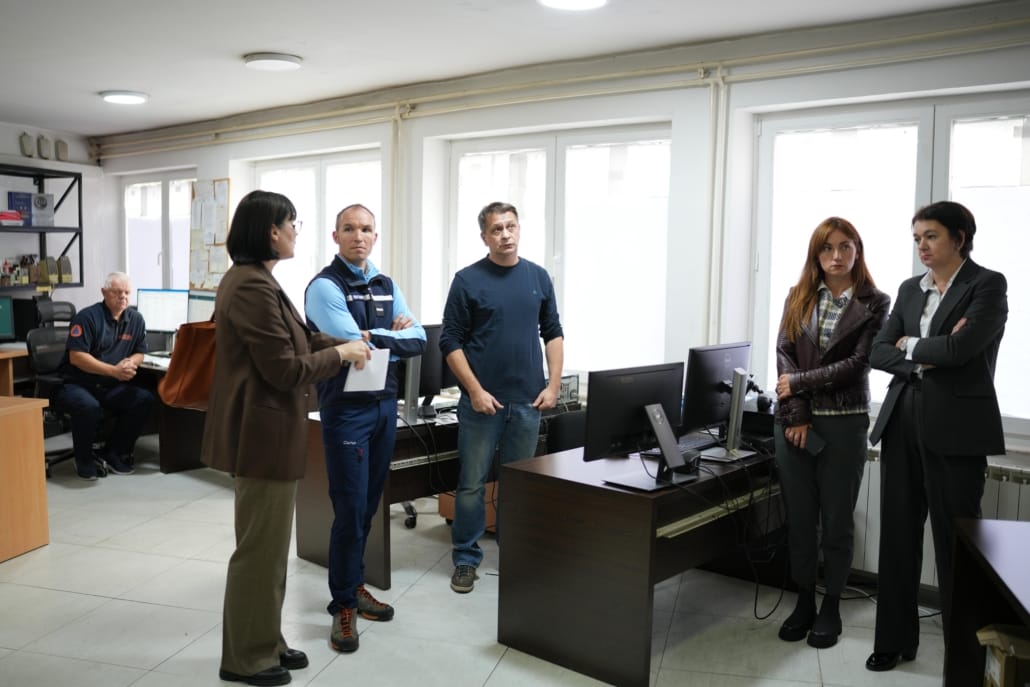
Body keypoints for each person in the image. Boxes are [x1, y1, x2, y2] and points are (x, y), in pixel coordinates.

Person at [200, 190, 370, 687]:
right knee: (259, 555)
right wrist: (340, 357)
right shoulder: (251, 285)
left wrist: (343, 343)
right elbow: (283, 369)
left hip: (269, 434)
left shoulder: (258, 279)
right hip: (262, 437)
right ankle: (245, 659)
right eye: (292, 222)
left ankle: (266, 641)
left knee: (270, 553)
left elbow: (295, 340)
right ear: (271, 230)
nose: (297, 231)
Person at [865, 200, 1007, 672]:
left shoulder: (987, 285)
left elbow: (963, 348)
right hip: (903, 416)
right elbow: (878, 352)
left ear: (959, 238)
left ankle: (963, 663)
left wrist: (909, 344)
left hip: (958, 427)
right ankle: (893, 641)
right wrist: (924, 355)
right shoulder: (910, 289)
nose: (921, 246)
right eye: (917, 238)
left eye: (931, 236)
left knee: (957, 545)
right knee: (898, 535)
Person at [304, 204, 426, 653]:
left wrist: (374, 336)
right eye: (350, 228)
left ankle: (354, 586)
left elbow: (419, 340)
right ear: (335, 236)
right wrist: (381, 335)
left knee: (369, 506)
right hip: (347, 410)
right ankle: (342, 605)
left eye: (367, 229)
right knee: (350, 508)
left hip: (384, 407)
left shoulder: (386, 284)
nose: (359, 236)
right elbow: (354, 346)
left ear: (376, 236)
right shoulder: (324, 286)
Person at [773, 217, 890, 649]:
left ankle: (832, 606)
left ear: (858, 251)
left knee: (837, 520)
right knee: (801, 520)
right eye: (827, 248)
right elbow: (784, 352)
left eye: (845, 247)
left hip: (845, 421)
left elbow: (858, 365)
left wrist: (798, 384)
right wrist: (797, 414)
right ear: (816, 254)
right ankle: (804, 600)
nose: (836, 256)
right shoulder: (798, 295)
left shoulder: (875, 302)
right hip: (795, 423)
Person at [441, 201, 564, 594]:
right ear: (485, 237)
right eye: (497, 229)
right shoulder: (467, 280)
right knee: (472, 484)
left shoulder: (538, 277)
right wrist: (474, 390)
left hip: (528, 402)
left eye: (511, 226)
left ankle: (516, 554)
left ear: (519, 229)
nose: (505, 235)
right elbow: (449, 341)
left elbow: (553, 332)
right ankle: (465, 558)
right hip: (482, 404)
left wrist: (553, 385)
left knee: (518, 484)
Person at [56, 271, 155, 480]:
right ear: (104, 292)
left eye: (127, 292)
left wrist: (131, 362)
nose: (123, 297)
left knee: (143, 399)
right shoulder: (87, 317)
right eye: (117, 292)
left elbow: (140, 352)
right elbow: (77, 357)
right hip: (78, 383)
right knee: (88, 406)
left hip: (110, 385)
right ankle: (84, 460)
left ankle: (113, 452)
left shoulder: (136, 319)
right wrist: (114, 371)